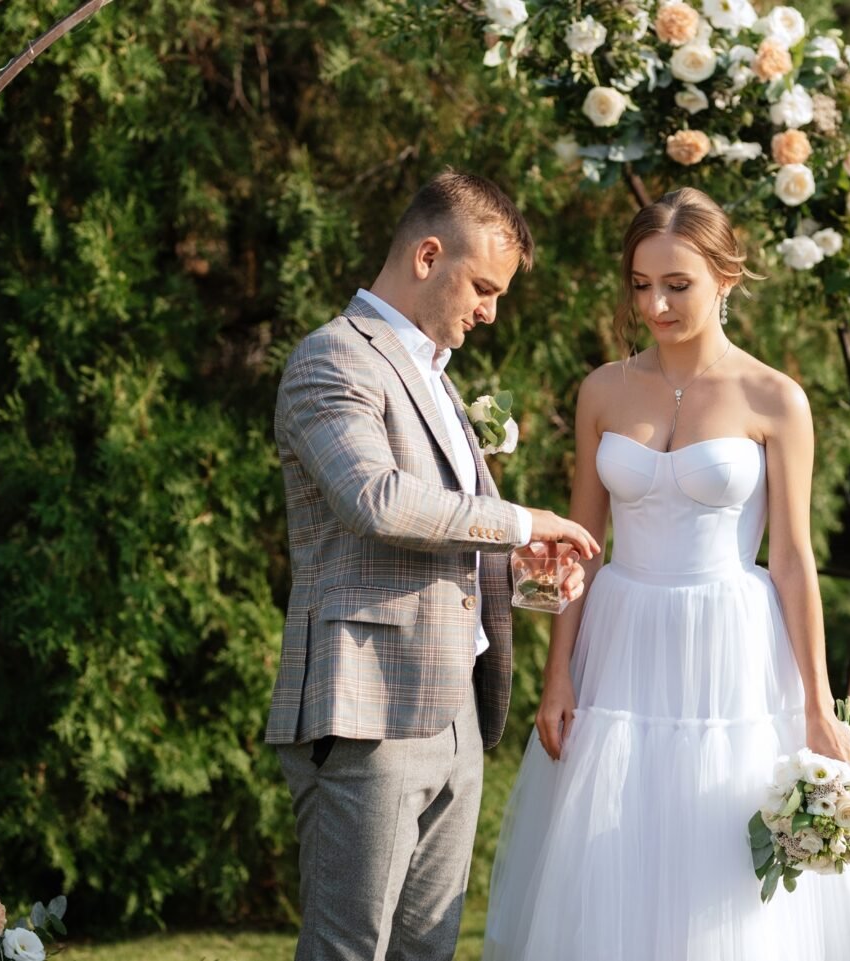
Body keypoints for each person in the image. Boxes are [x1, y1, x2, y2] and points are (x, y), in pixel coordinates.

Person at [482, 187, 850, 960]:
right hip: (620, 640)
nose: (655, 304)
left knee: (720, 849)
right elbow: (582, 543)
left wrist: (818, 703)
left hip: (733, 645)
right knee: (613, 856)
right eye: (641, 284)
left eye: (677, 285)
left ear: (726, 278)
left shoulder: (775, 399)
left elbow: (790, 558)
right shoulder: (603, 390)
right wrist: (559, 677)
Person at [269, 169, 601, 961]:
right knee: (350, 946)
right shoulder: (332, 359)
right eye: (483, 286)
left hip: (458, 708)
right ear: (427, 255)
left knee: (429, 948)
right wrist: (523, 516)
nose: (490, 310)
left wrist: (524, 561)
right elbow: (378, 501)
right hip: (369, 705)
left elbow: (446, 537)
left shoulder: (441, 385)